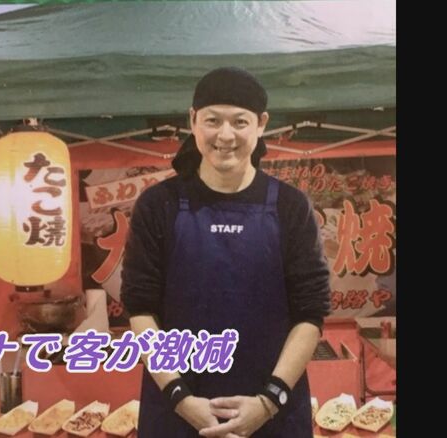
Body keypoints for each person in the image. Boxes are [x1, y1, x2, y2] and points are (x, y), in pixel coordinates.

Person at [121, 67, 331, 438]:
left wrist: (268, 402)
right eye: (213, 120)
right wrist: (181, 398)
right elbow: (140, 308)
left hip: (272, 412)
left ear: (261, 124)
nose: (225, 135)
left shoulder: (290, 206)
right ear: (193, 120)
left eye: (240, 121)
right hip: (178, 410)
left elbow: (310, 312)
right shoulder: (158, 205)